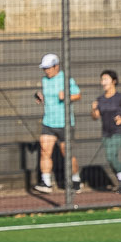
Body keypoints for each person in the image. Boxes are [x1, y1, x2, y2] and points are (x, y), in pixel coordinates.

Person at [37, 54, 82, 192]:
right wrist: (40, 97)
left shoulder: (66, 79)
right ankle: (46, 182)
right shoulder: (45, 80)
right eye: (44, 68)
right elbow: (48, 95)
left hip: (65, 123)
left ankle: (75, 180)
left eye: (48, 68)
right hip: (48, 122)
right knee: (45, 151)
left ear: (56, 66)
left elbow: (78, 95)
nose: (46, 71)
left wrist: (67, 96)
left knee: (67, 154)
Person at [93, 69, 121, 193]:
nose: (103, 82)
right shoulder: (100, 99)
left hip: (118, 132)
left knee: (111, 156)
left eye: (106, 79)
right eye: (102, 79)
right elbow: (95, 116)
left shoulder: (120, 98)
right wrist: (93, 109)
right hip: (106, 133)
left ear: (114, 81)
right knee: (110, 158)